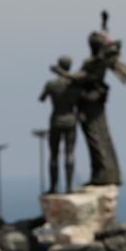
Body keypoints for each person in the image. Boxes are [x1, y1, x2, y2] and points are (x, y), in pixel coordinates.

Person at [39, 56, 80, 193]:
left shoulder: (51, 84)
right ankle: (69, 187)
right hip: (70, 120)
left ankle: (53, 187)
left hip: (56, 120)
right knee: (69, 153)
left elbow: (42, 98)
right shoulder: (74, 85)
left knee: (54, 154)